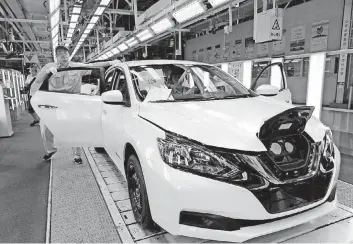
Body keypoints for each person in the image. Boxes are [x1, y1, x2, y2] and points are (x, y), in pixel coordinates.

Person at [34, 45, 119, 163]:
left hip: (72, 101)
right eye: (59, 53)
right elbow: (38, 79)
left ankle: (77, 155)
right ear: (56, 56)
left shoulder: (76, 67)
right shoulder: (50, 67)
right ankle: (50, 150)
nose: (63, 55)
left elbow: (93, 66)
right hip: (55, 102)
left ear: (69, 55)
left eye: (65, 52)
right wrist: (47, 73)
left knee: (75, 127)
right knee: (45, 127)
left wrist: (111, 62)